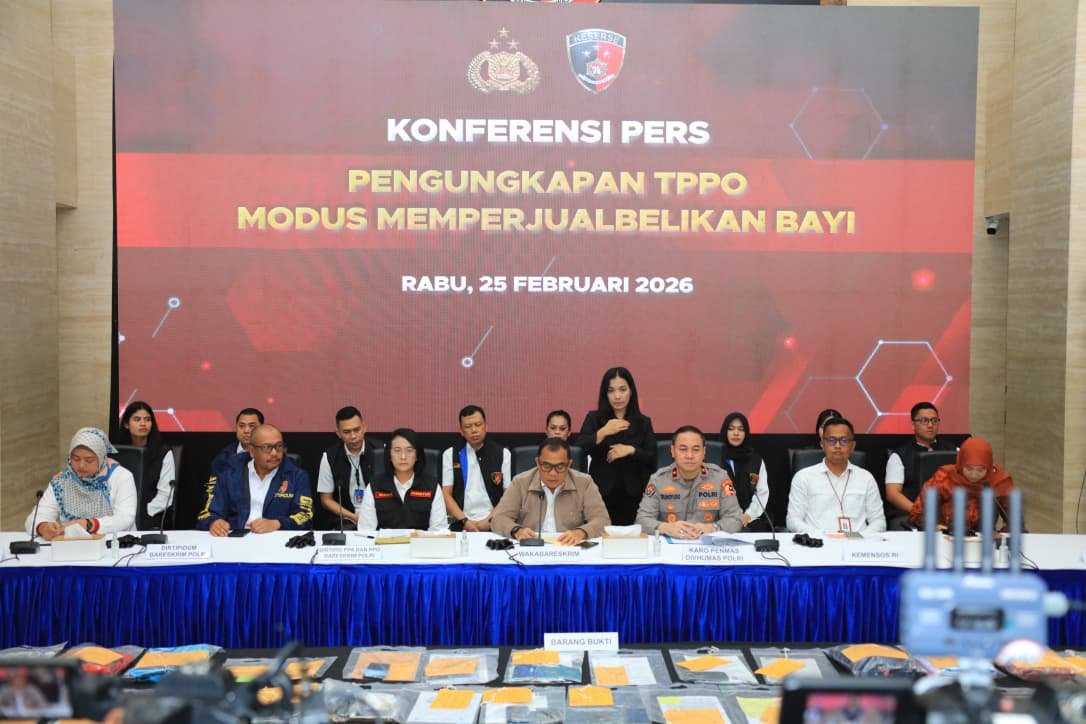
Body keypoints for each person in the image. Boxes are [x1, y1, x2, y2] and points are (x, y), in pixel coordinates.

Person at [197, 424, 313, 535]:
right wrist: (214, 522)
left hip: (275, 538)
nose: (274, 453)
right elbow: (208, 513)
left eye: (279, 446)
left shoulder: (296, 476)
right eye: (267, 447)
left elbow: (306, 515)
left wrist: (278, 523)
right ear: (252, 451)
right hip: (235, 539)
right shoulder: (228, 473)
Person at [575, 367, 656, 525]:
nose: (617, 396)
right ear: (605, 394)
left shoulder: (643, 422)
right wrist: (603, 432)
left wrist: (631, 450)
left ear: (631, 391)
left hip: (634, 494)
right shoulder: (594, 418)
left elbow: (652, 458)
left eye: (622, 390)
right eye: (611, 391)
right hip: (600, 494)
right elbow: (579, 450)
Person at [491, 437, 610, 544]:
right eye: (547, 466)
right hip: (531, 548)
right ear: (538, 463)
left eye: (560, 467)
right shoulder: (520, 482)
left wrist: (581, 532)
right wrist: (517, 531)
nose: (553, 473)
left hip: (568, 547)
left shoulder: (584, 483)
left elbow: (602, 520)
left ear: (569, 464)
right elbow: (499, 519)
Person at [26, 427, 137, 539]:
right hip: (71, 544)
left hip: (114, 543)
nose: (81, 465)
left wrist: (89, 524)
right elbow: (36, 517)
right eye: (76, 459)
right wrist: (43, 527)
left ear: (102, 458)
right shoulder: (61, 481)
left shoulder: (121, 477)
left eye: (89, 460)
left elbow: (125, 518)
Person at [636, 425, 742, 538]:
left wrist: (714, 528)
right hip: (670, 544)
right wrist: (666, 528)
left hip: (708, 546)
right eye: (683, 449)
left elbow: (736, 518)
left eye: (696, 450)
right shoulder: (658, 480)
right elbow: (641, 520)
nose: (690, 456)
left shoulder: (720, 478)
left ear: (704, 452)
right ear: (672, 451)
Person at [786, 417, 885, 535]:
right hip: (818, 542)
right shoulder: (803, 477)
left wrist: (860, 538)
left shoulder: (866, 478)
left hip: (858, 542)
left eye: (844, 440)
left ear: (852, 446)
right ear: (822, 444)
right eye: (831, 440)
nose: (837, 445)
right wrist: (821, 536)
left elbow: (879, 521)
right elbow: (793, 520)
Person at [908, 436, 1014, 530]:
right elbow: (919, 514)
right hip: (946, 536)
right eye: (969, 468)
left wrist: (1001, 536)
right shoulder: (944, 479)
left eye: (980, 470)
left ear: (989, 467)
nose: (974, 475)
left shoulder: (999, 482)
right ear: (961, 464)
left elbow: (1014, 520)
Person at [357, 428, 448, 532]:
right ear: (389, 455)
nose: (403, 457)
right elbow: (366, 531)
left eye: (409, 450)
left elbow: (439, 531)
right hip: (384, 542)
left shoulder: (432, 486)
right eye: (397, 450)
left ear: (417, 455)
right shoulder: (374, 486)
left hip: (420, 542)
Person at [884, 401, 957, 529]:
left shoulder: (952, 451)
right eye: (924, 421)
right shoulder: (899, 455)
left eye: (934, 420)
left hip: (946, 514)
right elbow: (892, 494)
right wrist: (920, 513)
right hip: (910, 513)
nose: (930, 425)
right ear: (913, 425)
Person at [442, 405, 512, 532]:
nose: (474, 430)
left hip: (495, 520)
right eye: (468, 426)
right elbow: (446, 494)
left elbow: (508, 495)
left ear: (486, 426)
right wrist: (464, 521)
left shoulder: (502, 453)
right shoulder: (450, 454)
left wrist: (490, 520)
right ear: (461, 431)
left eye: (478, 425)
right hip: (460, 522)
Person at [316, 406, 382, 530]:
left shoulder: (381, 451)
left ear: (364, 427)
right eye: (346, 432)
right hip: (346, 518)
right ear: (338, 433)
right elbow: (326, 500)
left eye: (357, 430)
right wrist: (353, 517)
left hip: (379, 515)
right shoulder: (329, 457)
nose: (353, 436)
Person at [116, 401, 176, 524]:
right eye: (137, 419)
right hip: (120, 513)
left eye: (147, 419)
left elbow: (166, 495)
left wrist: (143, 513)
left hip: (151, 513)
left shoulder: (163, 452)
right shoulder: (117, 452)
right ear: (126, 424)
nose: (143, 424)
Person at [720, 411, 770, 531]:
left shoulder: (756, 461)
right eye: (731, 429)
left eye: (741, 429)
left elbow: (761, 493)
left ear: (746, 433)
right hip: (720, 520)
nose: (736, 433)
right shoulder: (715, 458)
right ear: (725, 431)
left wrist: (748, 515)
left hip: (750, 521)